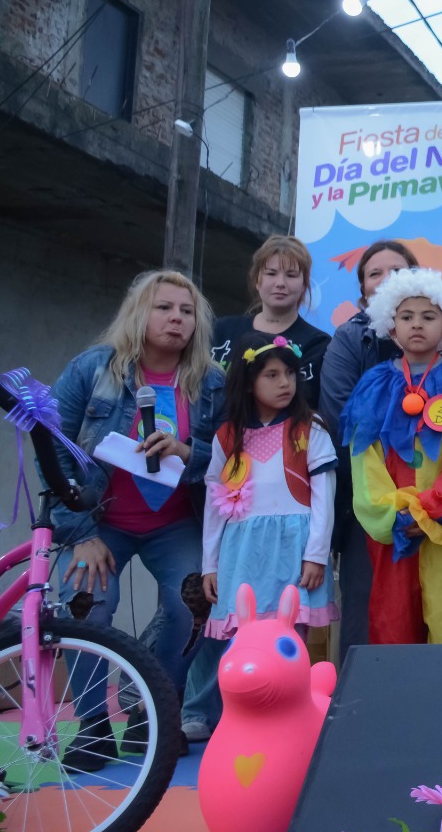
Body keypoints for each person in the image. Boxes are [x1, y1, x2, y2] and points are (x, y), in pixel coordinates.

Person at [48, 270, 225, 769]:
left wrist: (191, 452)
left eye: (186, 311)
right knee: (86, 606)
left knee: (192, 603)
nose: (176, 319)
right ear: (138, 313)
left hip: (175, 521)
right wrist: (78, 533)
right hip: (99, 521)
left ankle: (153, 715)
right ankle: (93, 726)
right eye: (163, 307)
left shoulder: (211, 382)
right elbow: (53, 448)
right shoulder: (93, 369)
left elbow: (233, 457)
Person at [340, 268, 442, 644]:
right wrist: (389, 511)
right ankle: (398, 701)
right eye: (406, 317)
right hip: (394, 524)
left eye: (429, 316)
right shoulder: (374, 382)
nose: (417, 325)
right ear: (390, 328)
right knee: (394, 619)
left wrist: (430, 508)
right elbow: (364, 458)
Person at [202, 334, 337, 641]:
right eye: (272, 375)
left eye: (290, 374)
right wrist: (209, 564)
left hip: (294, 550)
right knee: (243, 638)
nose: (284, 383)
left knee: (289, 638)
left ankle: (291, 691)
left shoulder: (309, 427)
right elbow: (214, 505)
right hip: (243, 554)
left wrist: (315, 555)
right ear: (249, 382)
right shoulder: (227, 436)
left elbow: (324, 497)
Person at [318, 240, 415, 659]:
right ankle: (355, 711)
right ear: (363, 292)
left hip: (432, 496)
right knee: (364, 602)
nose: (387, 279)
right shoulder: (349, 339)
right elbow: (341, 417)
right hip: (367, 496)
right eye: (376, 273)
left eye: (398, 271)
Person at [210, 235, 331, 407]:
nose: (280, 283)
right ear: (257, 280)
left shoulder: (318, 344)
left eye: (291, 275)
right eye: (271, 273)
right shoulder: (222, 330)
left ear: (304, 284)